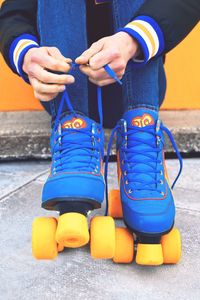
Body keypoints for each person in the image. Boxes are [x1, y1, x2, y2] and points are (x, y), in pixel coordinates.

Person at [0, 0, 195, 264]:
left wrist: (132, 40)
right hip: (66, 92)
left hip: (137, 84)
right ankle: (73, 133)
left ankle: (141, 132)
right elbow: (13, 14)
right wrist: (26, 55)